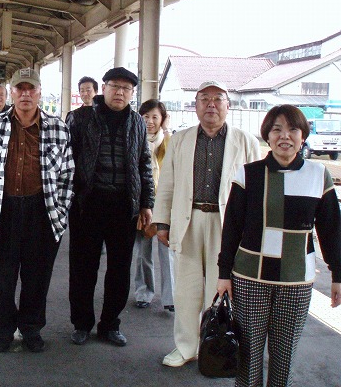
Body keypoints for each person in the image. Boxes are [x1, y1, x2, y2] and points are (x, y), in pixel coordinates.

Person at [217, 105, 341, 386]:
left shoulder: (318, 174)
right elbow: (232, 227)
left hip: (296, 280)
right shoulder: (248, 174)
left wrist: (338, 275)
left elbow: (331, 229)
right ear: (267, 136)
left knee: (284, 356)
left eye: (292, 129)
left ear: (303, 136)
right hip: (250, 277)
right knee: (248, 355)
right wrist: (224, 273)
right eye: (277, 129)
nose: (285, 136)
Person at [152, 80, 261, 368]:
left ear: (228, 105)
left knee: (220, 287)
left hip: (227, 224)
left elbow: (256, 190)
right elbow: (167, 183)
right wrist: (162, 222)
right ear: (196, 105)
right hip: (188, 219)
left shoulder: (246, 142)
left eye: (218, 99)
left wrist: (251, 230)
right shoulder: (181, 139)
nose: (211, 104)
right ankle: (185, 347)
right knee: (186, 290)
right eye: (204, 99)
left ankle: (215, 346)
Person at [0, 68, 74, 353]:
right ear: (11, 93)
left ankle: (31, 328)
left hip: (42, 211)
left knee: (36, 277)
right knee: (1, 278)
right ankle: (2, 329)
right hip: (0, 211)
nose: (25, 94)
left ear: (40, 92)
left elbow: (67, 175)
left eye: (31, 88)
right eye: (20, 88)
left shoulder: (58, 128)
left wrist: (60, 209)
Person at [66, 67, 154, 347]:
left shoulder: (137, 122)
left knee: (119, 269)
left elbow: (144, 164)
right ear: (103, 88)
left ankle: (110, 324)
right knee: (83, 268)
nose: (120, 92)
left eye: (126, 89)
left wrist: (146, 203)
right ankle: (82, 323)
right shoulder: (80, 118)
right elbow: (68, 161)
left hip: (123, 207)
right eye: (115, 86)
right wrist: (69, 198)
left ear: (132, 93)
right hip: (88, 204)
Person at [133, 99, 175, 311]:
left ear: (162, 120)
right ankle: (144, 292)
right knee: (143, 251)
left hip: (165, 201)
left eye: (155, 117)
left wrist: (166, 130)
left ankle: (170, 297)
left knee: (167, 251)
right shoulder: (134, 139)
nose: (150, 121)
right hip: (143, 202)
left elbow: (173, 165)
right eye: (146, 116)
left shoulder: (169, 141)